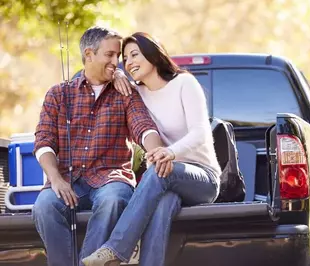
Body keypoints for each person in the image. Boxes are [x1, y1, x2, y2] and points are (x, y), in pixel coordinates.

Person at [82, 32, 221, 266]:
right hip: (166, 174)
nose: (129, 62)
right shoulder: (137, 94)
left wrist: (170, 152)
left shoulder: (184, 83)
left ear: (153, 54)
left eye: (135, 54)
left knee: (157, 172)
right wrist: (116, 74)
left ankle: (116, 249)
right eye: (125, 59)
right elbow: (98, 75)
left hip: (202, 177)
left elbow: (200, 133)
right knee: (164, 204)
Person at [32, 27, 165, 266]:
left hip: (111, 179)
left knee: (113, 199)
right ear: (89, 54)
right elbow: (43, 141)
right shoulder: (57, 94)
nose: (117, 62)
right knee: (44, 205)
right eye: (110, 55)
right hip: (67, 180)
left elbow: (143, 126)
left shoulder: (125, 92)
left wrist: (156, 151)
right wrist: (55, 178)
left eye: (118, 56)